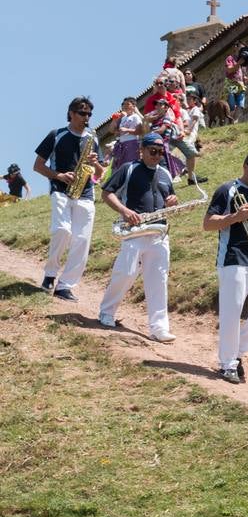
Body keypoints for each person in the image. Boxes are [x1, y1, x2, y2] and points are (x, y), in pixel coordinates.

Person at [98, 132, 179, 342]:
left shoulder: (165, 173)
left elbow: (168, 199)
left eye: (160, 152)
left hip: (159, 233)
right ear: (141, 150)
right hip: (134, 231)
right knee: (126, 272)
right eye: (152, 151)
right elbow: (107, 193)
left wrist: (173, 201)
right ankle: (107, 312)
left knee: (159, 280)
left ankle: (159, 327)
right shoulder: (128, 168)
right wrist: (125, 211)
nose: (156, 155)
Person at [203, 152, 248, 383]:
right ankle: (227, 364)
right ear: (245, 167)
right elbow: (208, 223)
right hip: (233, 259)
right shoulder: (227, 190)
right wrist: (235, 216)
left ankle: (236, 352)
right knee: (231, 314)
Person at [33, 96, 106, 301]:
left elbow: (100, 174)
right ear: (71, 113)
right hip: (60, 189)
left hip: (86, 192)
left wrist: (96, 163)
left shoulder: (93, 138)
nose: (87, 117)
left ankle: (65, 285)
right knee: (62, 230)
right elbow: (37, 166)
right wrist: (59, 175)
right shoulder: (56, 135)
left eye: (89, 114)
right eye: (83, 113)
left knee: (82, 241)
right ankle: (50, 274)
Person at [110, 97, 145, 170]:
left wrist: (127, 130)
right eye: (124, 104)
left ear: (134, 107)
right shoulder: (123, 118)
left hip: (132, 143)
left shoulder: (135, 117)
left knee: (131, 165)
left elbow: (140, 131)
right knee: (121, 167)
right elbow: (112, 130)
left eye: (128, 104)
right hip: (122, 145)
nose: (125, 106)